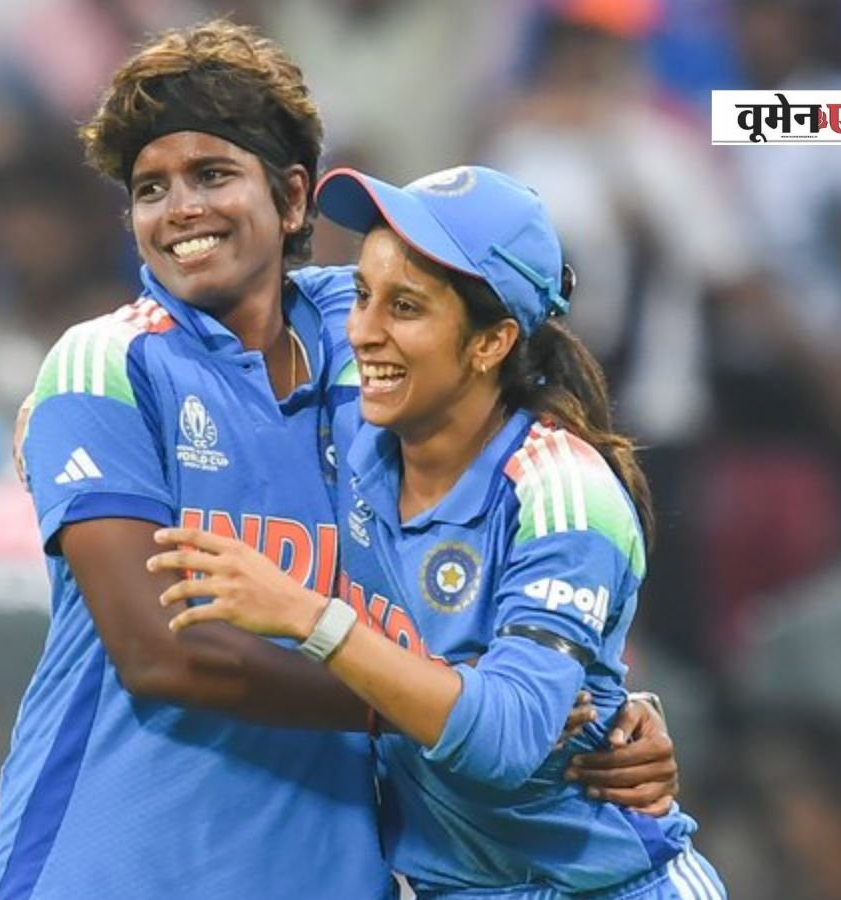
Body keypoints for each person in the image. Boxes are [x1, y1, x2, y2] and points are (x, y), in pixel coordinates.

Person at [0, 20, 679, 900]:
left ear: (291, 199)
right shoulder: (108, 365)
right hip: (117, 873)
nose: (180, 209)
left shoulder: (359, 341)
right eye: (149, 188)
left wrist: (598, 716)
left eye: (212, 174)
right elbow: (160, 656)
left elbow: (509, 437)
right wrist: (445, 713)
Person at [150, 164, 724, 899]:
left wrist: (308, 617)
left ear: (492, 342)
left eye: (406, 307)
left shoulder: (563, 494)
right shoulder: (355, 427)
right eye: (363, 294)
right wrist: (65, 392)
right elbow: (243, 304)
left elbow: (509, 739)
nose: (363, 331)